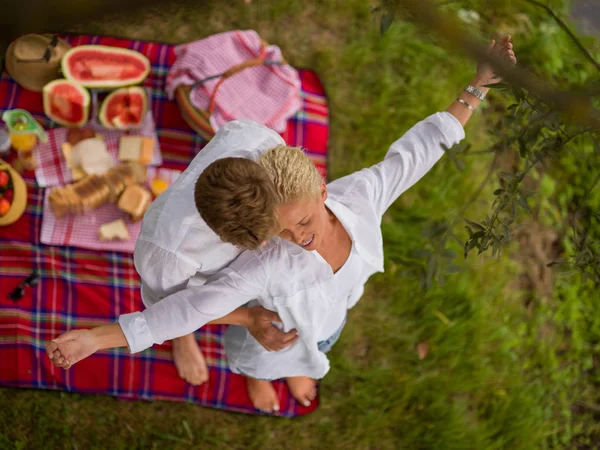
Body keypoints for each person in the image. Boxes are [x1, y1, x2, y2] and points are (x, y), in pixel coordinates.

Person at [47, 36, 517, 412]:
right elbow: (185, 309)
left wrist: (475, 91)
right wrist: (98, 336)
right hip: (277, 327)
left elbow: (413, 155)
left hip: (330, 317)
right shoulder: (260, 262)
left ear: (323, 188)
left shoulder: (360, 194)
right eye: (283, 232)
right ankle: (262, 375)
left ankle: (306, 359)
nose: (301, 240)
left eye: (303, 222)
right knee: (268, 352)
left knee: (321, 341)